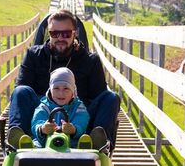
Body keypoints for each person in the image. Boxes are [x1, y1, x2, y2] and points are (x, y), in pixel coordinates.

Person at [8, 9, 121, 149]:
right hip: (42, 113)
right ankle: (20, 141)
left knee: (111, 97)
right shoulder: (34, 55)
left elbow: (99, 97)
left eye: (66, 34)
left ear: (75, 33)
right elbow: (21, 95)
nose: (60, 38)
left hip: (78, 114)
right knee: (20, 91)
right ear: (49, 34)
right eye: (55, 33)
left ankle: (96, 142)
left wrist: (78, 119)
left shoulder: (90, 60)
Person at [30, 68, 89, 147]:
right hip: (45, 144)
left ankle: (92, 146)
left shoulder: (78, 107)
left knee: (81, 142)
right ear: (50, 90)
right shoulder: (44, 106)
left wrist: (74, 129)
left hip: (71, 144)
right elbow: (36, 121)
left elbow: (82, 120)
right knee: (36, 144)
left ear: (73, 91)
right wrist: (42, 129)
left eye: (66, 88)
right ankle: (27, 147)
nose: (61, 93)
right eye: (56, 88)